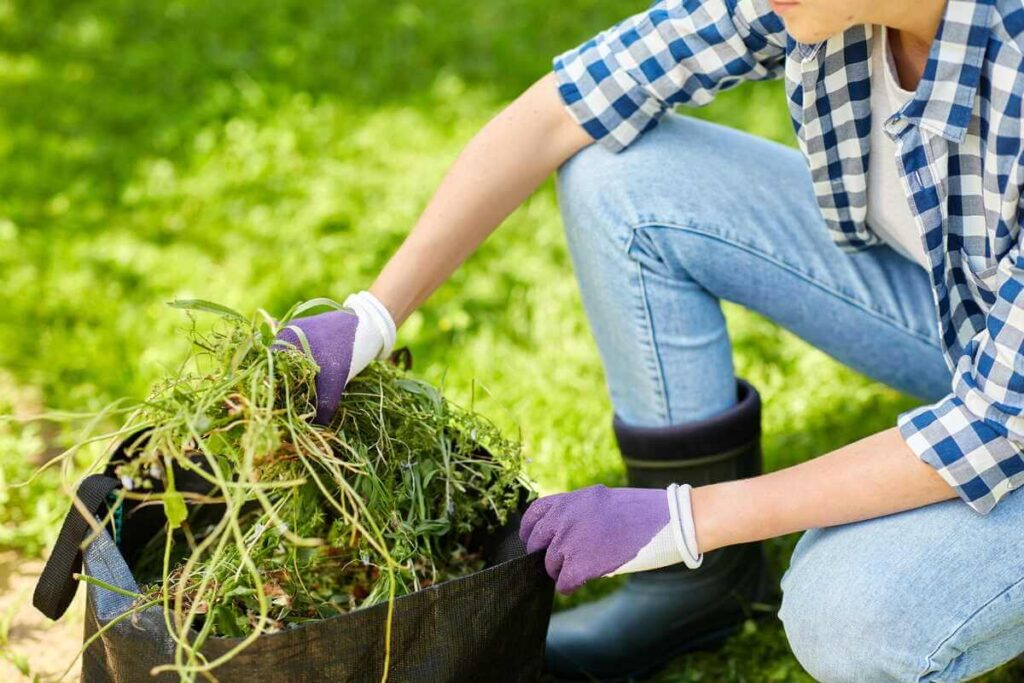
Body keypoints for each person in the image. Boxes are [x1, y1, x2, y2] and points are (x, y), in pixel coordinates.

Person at [276, 0, 1024, 680]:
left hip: (1006, 404)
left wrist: (682, 517)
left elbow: (994, 425)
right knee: (621, 178)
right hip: (967, 318)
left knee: (850, 611)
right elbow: (562, 110)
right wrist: (374, 311)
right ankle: (693, 591)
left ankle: (699, 551)